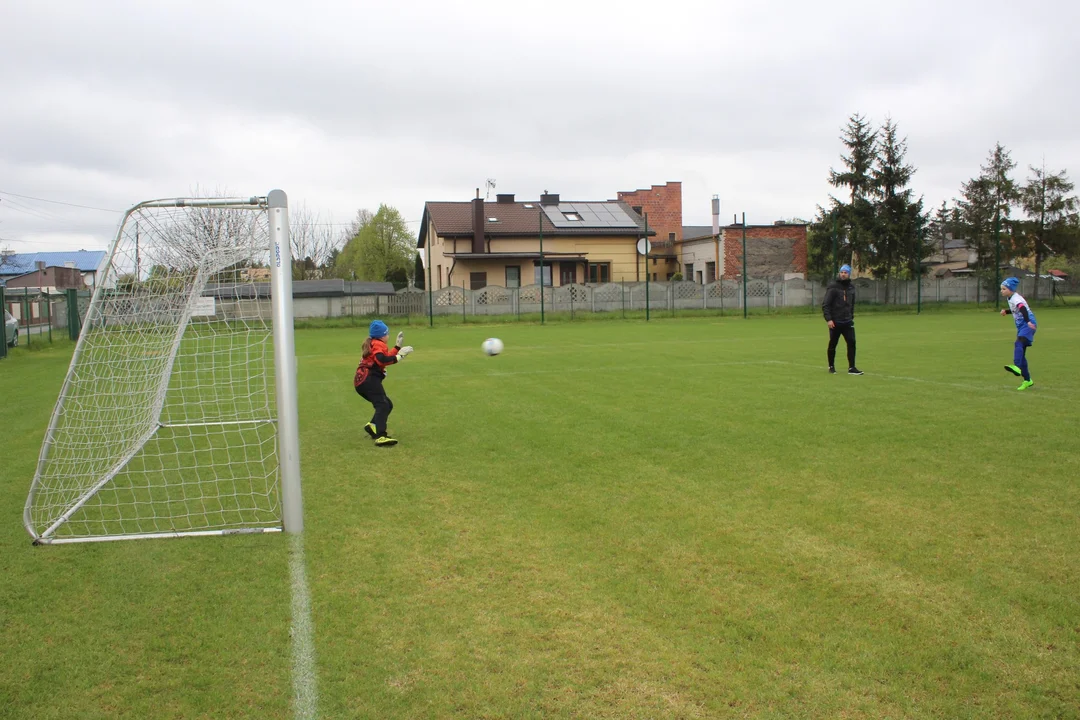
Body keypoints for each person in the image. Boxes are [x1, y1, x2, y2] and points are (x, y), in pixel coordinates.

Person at [354, 320, 413, 446]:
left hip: (362, 382)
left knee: (387, 404)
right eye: (387, 334)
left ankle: (372, 426)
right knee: (383, 405)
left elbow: (384, 358)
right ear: (382, 335)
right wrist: (400, 356)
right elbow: (382, 360)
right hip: (369, 380)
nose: (388, 336)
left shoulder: (374, 343)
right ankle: (381, 436)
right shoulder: (379, 344)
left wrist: (397, 348)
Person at [821, 264, 863, 375]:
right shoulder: (833, 287)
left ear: (849, 274)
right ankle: (831, 366)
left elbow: (852, 304)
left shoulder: (851, 288)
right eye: (842, 272)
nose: (843, 274)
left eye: (845, 272)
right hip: (835, 321)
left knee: (852, 342)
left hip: (847, 321)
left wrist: (851, 315)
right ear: (839, 273)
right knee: (833, 344)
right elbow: (826, 304)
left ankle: (852, 368)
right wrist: (829, 319)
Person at [1000, 277, 1037, 390]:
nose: (1002, 291)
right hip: (1022, 326)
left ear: (1011, 289)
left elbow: (1023, 309)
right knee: (1022, 355)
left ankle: (1016, 366)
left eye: (1004, 289)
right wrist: (1006, 311)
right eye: (1001, 288)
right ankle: (1027, 380)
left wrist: (1028, 322)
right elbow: (1016, 310)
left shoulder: (1016, 298)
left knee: (1019, 343)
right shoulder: (1010, 298)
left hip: (1028, 324)